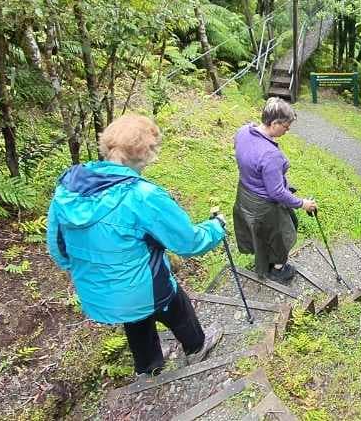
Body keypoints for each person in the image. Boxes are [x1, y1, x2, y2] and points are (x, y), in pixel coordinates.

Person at [46, 114, 226, 377]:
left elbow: (58, 247)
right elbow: (189, 243)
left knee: (136, 317)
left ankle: (150, 367)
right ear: (147, 152)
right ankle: (197, 347)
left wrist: (88, 271)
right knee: (174, 303)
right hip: (142, 290)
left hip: (98, 294)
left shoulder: (68, 190)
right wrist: (216, 227)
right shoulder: (142, 196)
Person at [233, 97, 318, 284]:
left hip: (245, 195)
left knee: (259, 234)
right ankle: (278, 269)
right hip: (264, 206)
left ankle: (265, 261)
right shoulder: (270, 155)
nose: (287, 131)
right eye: (286, 127)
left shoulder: (243, 132)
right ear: (274, 123)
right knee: (282, 236)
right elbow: (277, 192)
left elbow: (244, 156)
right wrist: (303, 203)